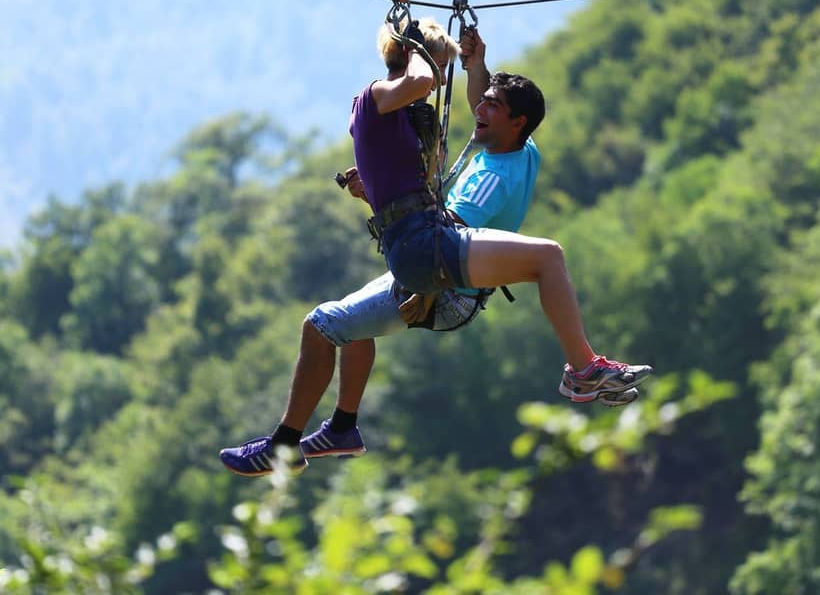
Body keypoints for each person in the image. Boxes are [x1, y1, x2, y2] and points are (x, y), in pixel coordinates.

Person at [219, 24, 645, 477]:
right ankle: (341, 427)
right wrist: (475, 65)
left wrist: (386, 198)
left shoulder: (487, 179)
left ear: (515, 122)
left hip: (441, 280)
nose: (478, 107)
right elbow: (484, 107)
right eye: (482, 101)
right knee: (332, 323)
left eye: (492, 107)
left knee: (547, 256)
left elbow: (446, 230)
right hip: (448, 279)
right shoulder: (522, 150)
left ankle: (583, 370)